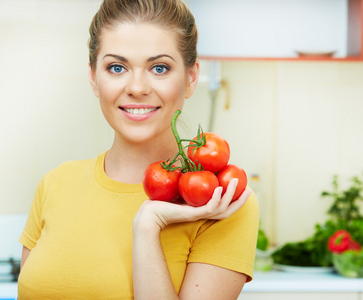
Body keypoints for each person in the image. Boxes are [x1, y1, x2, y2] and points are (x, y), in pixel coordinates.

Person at [17, 0, 259, 298]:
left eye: (159, 68)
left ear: (191, 78)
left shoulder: (221, 201)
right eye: (116, 67)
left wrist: (148, 226)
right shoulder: (55, 184)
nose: (137, 87)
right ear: (94, 78)